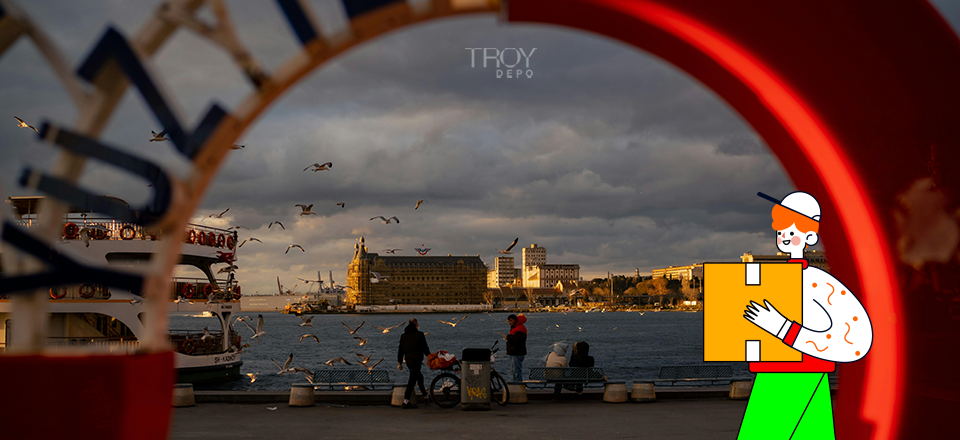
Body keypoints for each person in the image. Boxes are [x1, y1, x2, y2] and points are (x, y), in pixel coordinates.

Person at [738, 192, 873, 439]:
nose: (784, 238)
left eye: (791, 232)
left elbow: (857, 338)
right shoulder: (785, 281)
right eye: (781, 232)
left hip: (787, 373)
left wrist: (782, 328)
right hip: (799, 367)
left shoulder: (816, 282)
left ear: (810, 237)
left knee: (760, 433)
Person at [397, 318, 430, 409]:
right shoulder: (419, 335)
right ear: (416, 324)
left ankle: (425, 395)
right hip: (417, 360)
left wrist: (400, 361)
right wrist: (430, 357)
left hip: (408, 360)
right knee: (412, 380)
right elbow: (424, 347)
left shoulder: (403, 336)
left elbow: (400, 350)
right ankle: (406, 401)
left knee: (419, 377)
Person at [504, 314, 527, 383]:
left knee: (516, 370)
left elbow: (517, 339)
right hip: (514, 353)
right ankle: (515, 384)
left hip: (517, 353)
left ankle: (518, 385)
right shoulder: (515, 328)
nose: (509, 322)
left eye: (511, 320)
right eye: (508, 321)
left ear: (515, 320)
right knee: (513, 370)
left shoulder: (520, 328)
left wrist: (508, 337)